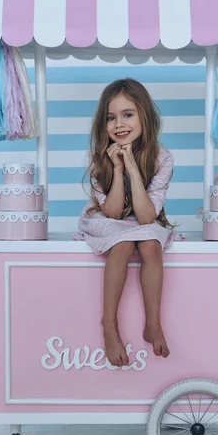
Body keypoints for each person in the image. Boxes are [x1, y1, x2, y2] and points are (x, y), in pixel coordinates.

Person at [75, 78, 182, 367]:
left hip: (143, 215)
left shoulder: (163, 157)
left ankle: (153, 323)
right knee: (121, 243)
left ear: (144, 116)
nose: (119, 124)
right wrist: (118, 165)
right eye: (111, 118)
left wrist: (132, 168)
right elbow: (111, 213)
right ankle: (109, 324)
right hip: (104, 216)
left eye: (127, 115)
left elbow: (146, 216)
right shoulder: (99, 156)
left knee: (150, 243)